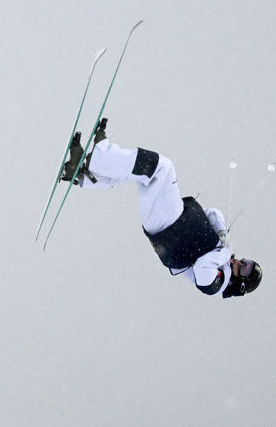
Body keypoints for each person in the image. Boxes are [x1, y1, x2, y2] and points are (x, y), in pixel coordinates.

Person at [62, 119, 262, 298]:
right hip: (170, 222)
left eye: (245, 269)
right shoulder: (223, 256)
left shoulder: (216, 285)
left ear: (240, 284)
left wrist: (224, 252)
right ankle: (82, 175)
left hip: (171, 230)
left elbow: (202, 267)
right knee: (144, 177)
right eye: (247, 261)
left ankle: (98, 158)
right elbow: (213, 213)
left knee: (162, 168)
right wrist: (221, 233)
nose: (241, 262)